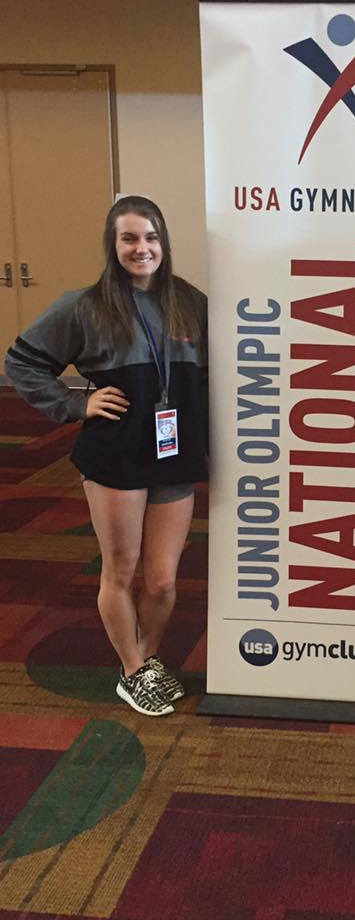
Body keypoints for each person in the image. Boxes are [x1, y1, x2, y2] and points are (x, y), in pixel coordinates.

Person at [5, 196, 208, 717]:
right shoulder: (85, 306)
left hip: (175, 452)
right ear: (113, 245)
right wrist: (76, 403)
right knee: (121, 569)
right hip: (116, 453)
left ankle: (149, 661)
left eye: (151, 237)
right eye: (129, 238)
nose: (142, 248)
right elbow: (22, 363)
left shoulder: (191, 302)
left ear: (164, 242)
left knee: (163, 581)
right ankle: (133, 671)